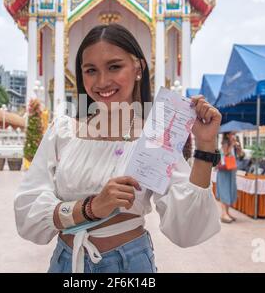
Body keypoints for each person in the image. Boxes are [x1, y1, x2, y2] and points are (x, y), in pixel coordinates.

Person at [14, 24, 222, 273]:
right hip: (65, 262)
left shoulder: (155, 137)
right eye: (91, 70)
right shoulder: (63, 132)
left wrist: (205, 147)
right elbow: (27, 211)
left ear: (138, 69)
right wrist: (90, 208)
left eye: (114, 67)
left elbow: (187, 230)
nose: (102, 82)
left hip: (128, 265)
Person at [216, 132, 242, 223]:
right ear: (227, 135)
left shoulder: (234, 144)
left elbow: (240, 155)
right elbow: (226, 154)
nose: (234, 135)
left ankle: (227, 212)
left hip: (230, 171)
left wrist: (238, 147)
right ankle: (223, 214)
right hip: (224, 172)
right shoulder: (225, 144)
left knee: (229, 191)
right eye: (232, 134)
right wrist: (231, 145)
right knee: (224, 192)